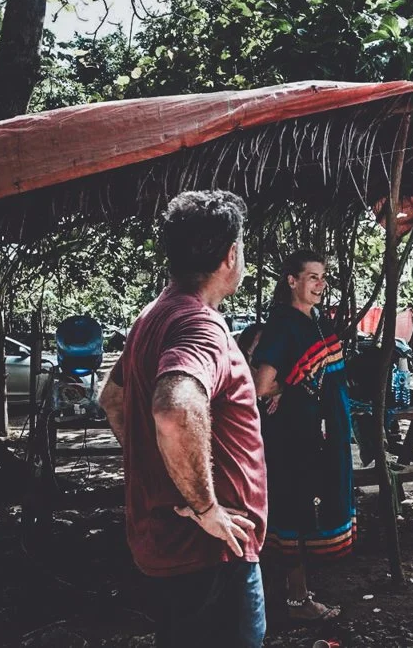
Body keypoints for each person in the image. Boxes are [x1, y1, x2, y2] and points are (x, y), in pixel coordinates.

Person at [98, 190, 268, 648]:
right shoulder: (199, 325)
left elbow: (112, 397)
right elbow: (174, 409)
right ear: (231, 255)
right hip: (211, 554)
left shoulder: (153, 315)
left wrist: (161, 468)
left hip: (170, 546)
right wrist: (206, 507)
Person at [251, 250, 354, 623]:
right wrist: (282, 390)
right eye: (312, 277)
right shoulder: (284, 324)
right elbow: (263, 384)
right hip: (297, 435)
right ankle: (298, 600)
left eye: (323, 277)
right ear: (291, 281)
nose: (320, 285)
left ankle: (295, 591)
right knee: (295, 511)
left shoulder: (316, 320)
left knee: (307, 511)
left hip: (321, 433)